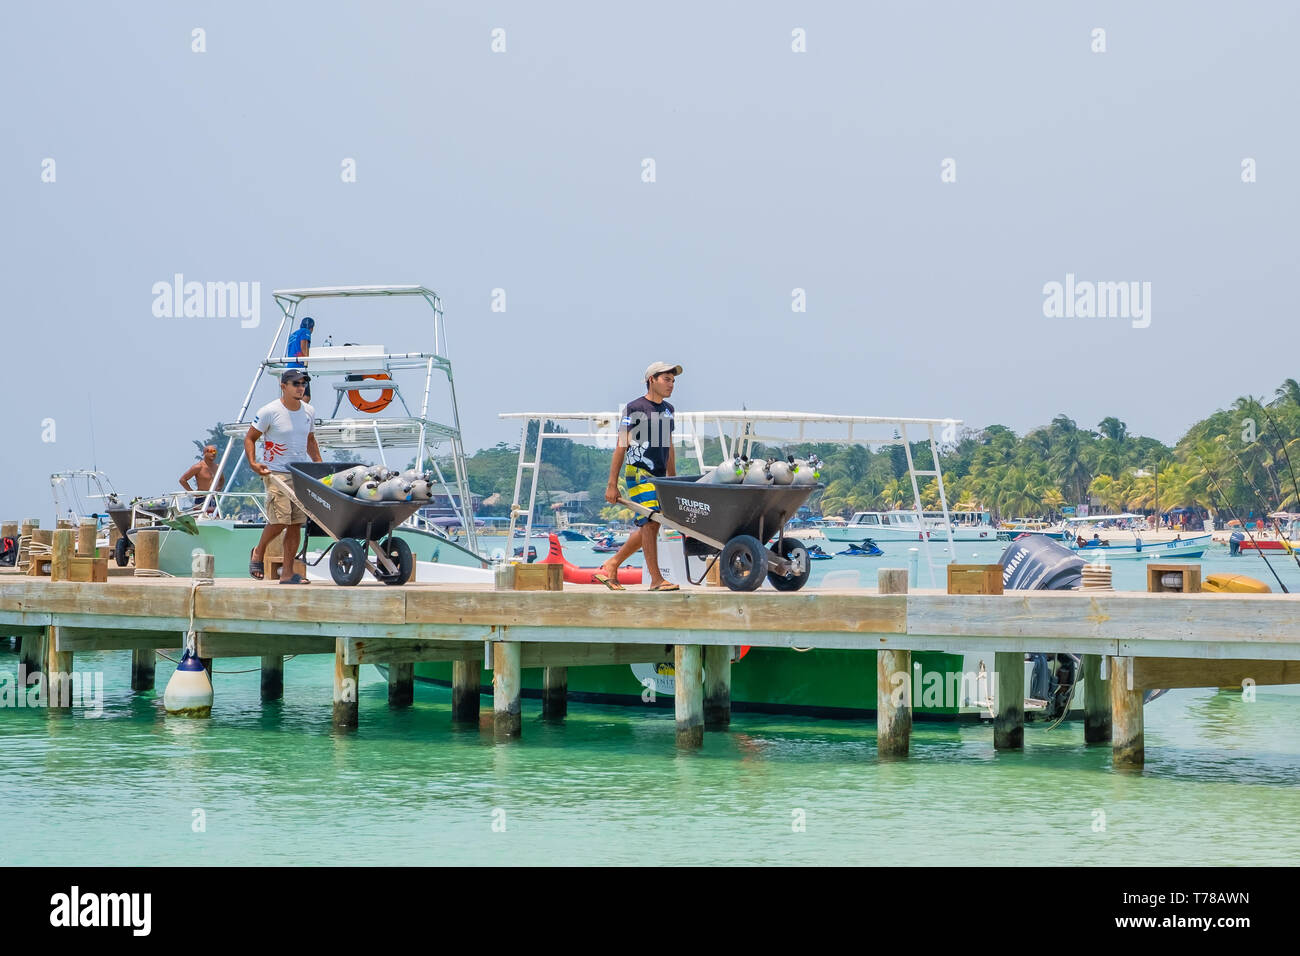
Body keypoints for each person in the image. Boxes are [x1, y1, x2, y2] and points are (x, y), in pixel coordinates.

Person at [596, 361, 682, 591]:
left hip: (659, 477)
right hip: (638, 472)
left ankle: (612, 563)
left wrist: (673, 479)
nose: (671, 384)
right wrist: (612, 484)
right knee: (651, 521)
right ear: (651, 379)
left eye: (673, 380)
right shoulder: (635, 408)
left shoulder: (669, 410)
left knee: (651, 525)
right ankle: (656, 580)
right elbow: (621, 445)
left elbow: (669, 446)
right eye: (666, 379)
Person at [244, 369, 323, 584]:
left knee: (296, 523)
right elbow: (250, 438)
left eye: (303, 383)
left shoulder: (309, 411)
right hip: (275, 472)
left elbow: (310, 441)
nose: (300, 387)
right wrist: (253, 463)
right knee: (280, 521)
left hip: (300, 473)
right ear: (283, 386)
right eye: (295, 383)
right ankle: (259, 552)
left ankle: (287, 574)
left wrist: (320, 468)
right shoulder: (269, 411)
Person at [180, 444, 226, 513]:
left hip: (213, 498)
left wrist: (218, 489)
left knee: (215, 519)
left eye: (214, 451)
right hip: (201, 498)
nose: (213, 453)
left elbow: (222, 479)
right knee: (200, 519)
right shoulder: (198, 467)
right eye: (210, 451)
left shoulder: (217, 467)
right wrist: (193, 493)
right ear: (204, 453)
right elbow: (182, 480)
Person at [287, 317, 315, 400]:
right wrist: (308, 361)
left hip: (289, 368)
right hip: (299, 368)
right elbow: (304, 346)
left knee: (296, 396)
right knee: (306, 397)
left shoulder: (293, 334)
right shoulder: (306, 332)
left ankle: (294, 410)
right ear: (311, 328)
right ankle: (298, 412)